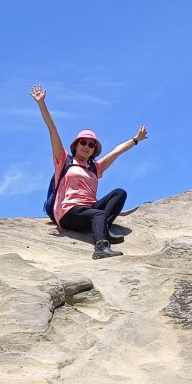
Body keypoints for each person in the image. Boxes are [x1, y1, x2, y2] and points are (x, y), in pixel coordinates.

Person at [31, 84, 147, 259]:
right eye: (83, 142)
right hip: (69, 212)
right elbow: (52, 130)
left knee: (119, 193)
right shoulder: (64, 161)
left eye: (91, 144)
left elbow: (116, 151)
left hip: (89, 210)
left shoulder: (95, 167)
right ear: (76, 145)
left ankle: (101, 228)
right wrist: (41, 104)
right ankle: (101, 247)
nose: (87, 146)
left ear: (94, 149)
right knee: (98, 214)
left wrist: (136, 140)